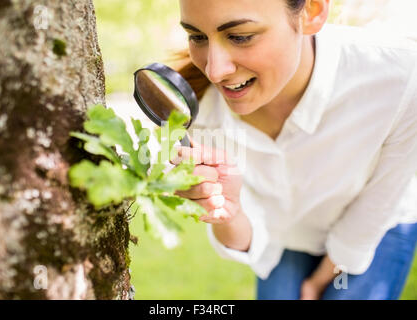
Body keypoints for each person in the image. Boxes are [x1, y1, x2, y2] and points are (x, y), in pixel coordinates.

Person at [171, 0, 417, 300]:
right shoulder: (202, 116)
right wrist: (228, 211)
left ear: (312, 11)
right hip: (287, 233)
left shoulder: (400, 78)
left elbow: (370, 216)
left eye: (240, 36)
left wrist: (317, 283)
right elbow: (253, 233)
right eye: (197, 37)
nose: (214, 70)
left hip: (377, 226)